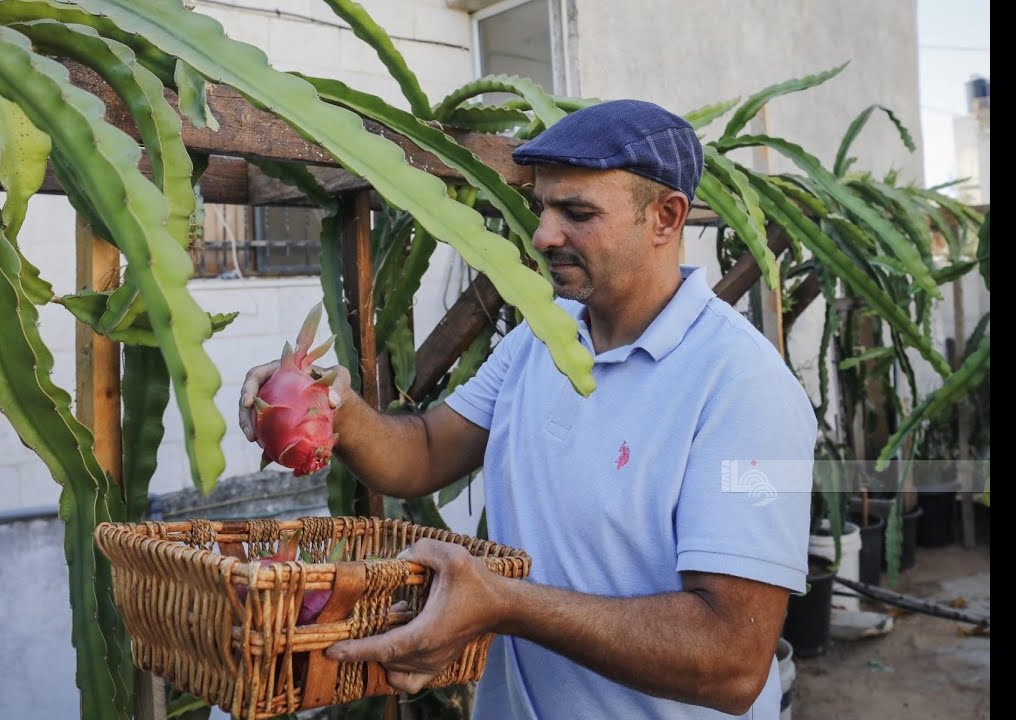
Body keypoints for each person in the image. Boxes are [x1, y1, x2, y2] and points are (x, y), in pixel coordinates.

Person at [238, 99, 817, 719]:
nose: (543, 234)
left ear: (665, 217)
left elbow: (734, 661)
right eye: (543, 207)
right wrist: (337, 410)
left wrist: (506, 604)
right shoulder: (538, 340)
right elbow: (427, 451)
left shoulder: (752, 388)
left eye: (577, 212)